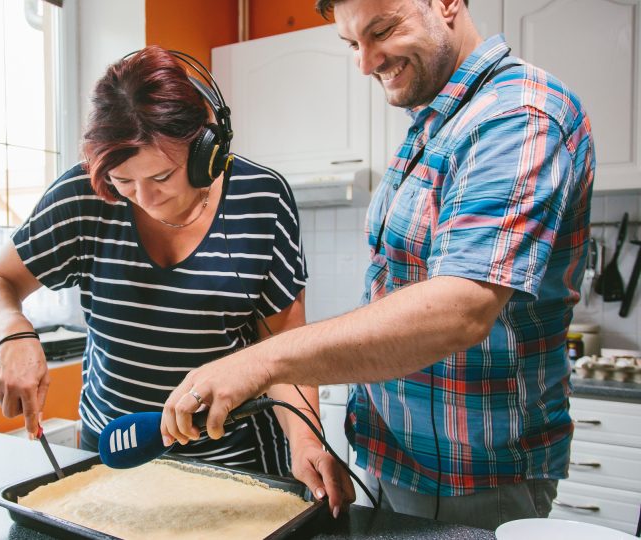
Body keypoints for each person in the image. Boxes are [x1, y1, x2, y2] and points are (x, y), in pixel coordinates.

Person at [161, 0, 595, 530]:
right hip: (404, 466)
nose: (366, 63)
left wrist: (256, 363)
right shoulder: (435, 120)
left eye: (382, 30)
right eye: (351, 44)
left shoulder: (516, 115)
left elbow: (458, 310)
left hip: (473, 479)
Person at [0, 46, 355, 512]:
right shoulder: (84, 194)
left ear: (207, 148)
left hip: (236, 469)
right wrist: (11, 336)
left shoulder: (262, 198)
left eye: (162, 176)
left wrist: (306, 440)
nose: (143, 198)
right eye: (123, 181)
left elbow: (284, 350)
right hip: (112, 459)